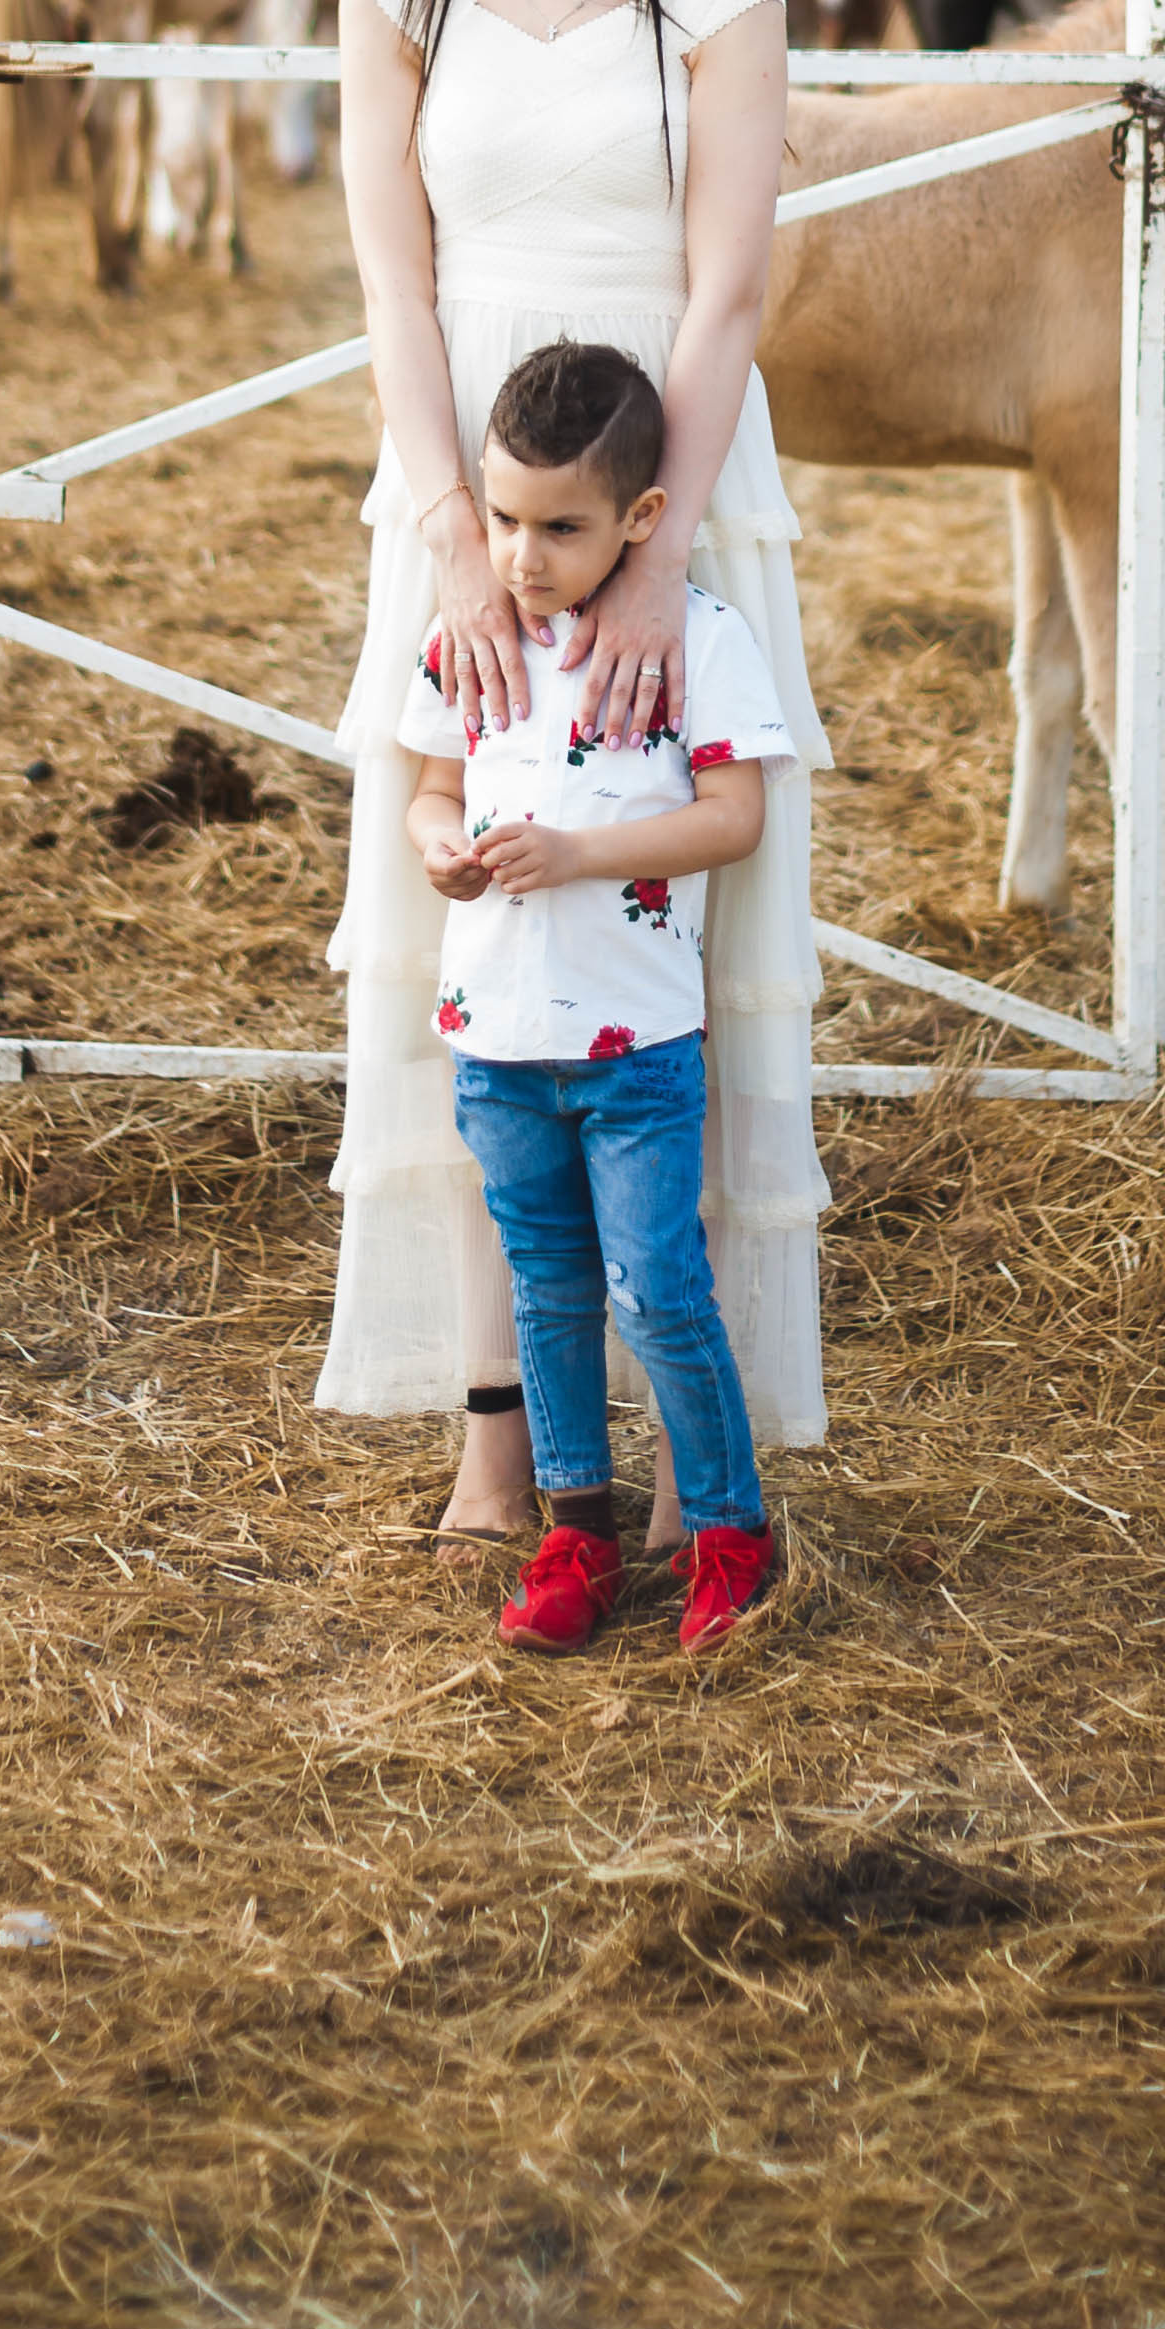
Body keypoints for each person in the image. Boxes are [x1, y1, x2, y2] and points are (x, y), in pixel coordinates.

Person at [319, 0, 830, 1551]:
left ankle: (697, 1454)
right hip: (459, 518)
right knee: (472, 957)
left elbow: (725, 285)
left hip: (663, 500)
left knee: (664, 962)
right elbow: (392, 278)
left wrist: (649, 562)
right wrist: (457, 532)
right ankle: (499, 1441)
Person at [401, 341, 799, 1653]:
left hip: (634, 1049)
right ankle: (578, 1531)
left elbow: (732, 816)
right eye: (503, 517)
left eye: (559, 526)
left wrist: (577, 855)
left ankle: (729, 1532)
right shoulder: (468, 641)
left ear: (638, 520)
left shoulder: (698, 641)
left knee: (657, 1283)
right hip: (498, 1042)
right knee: (549, 1287)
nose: (521, 554)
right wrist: (438, 848)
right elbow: (429, 789)